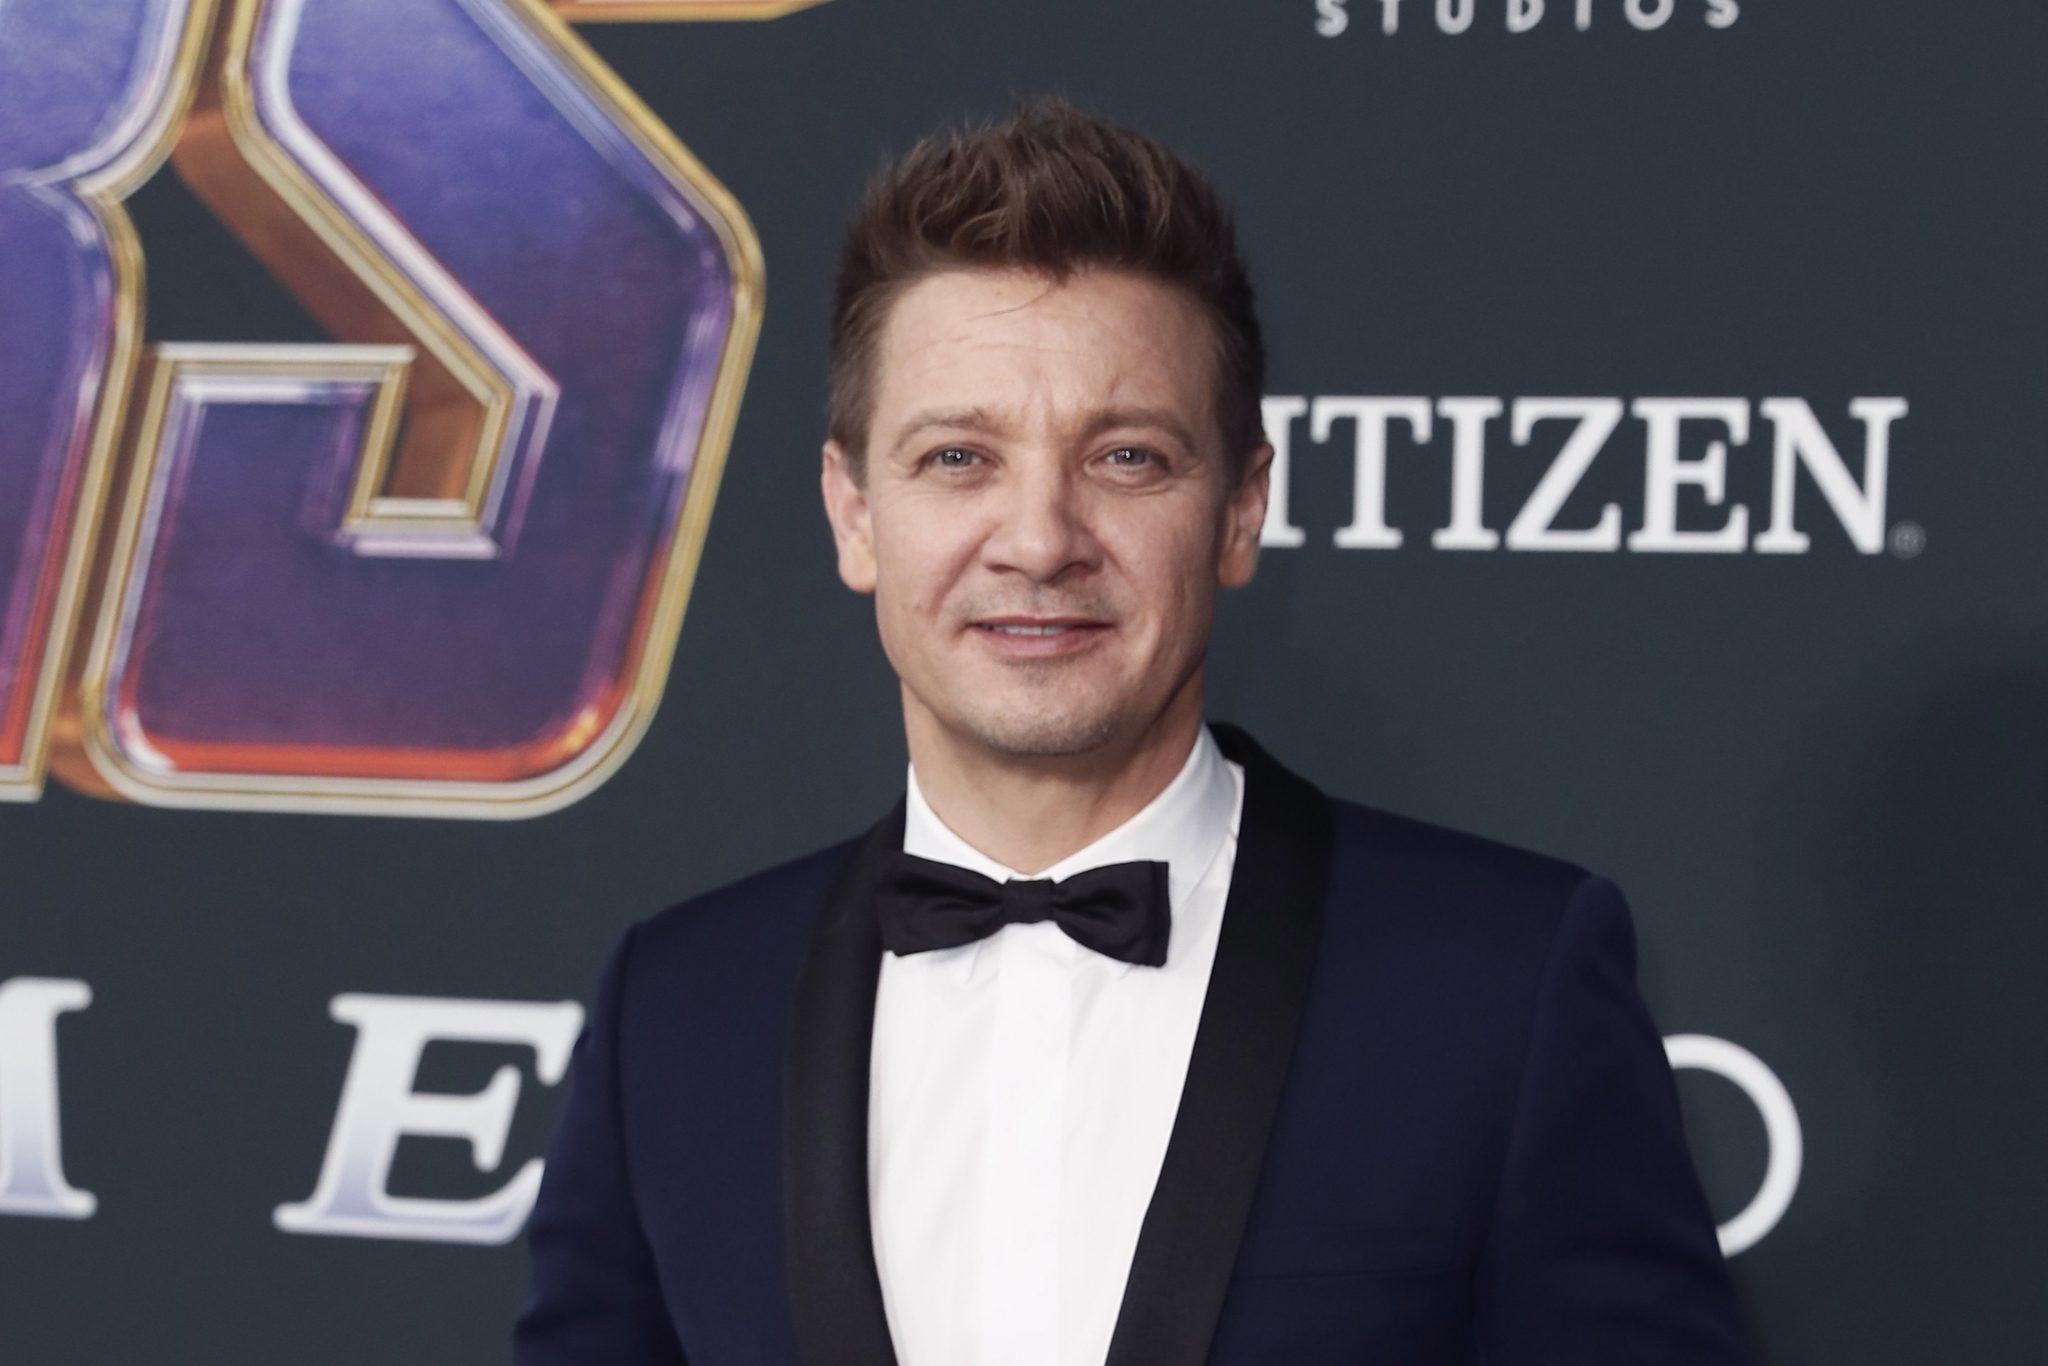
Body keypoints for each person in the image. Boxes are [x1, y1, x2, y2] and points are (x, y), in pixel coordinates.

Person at [515, 98, 1750, 1366]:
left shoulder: (1501, 982)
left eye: (1126, 458)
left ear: (1238, 510)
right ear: (853, 513)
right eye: (957, 458)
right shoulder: (677, 1009)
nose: (1038, 540)